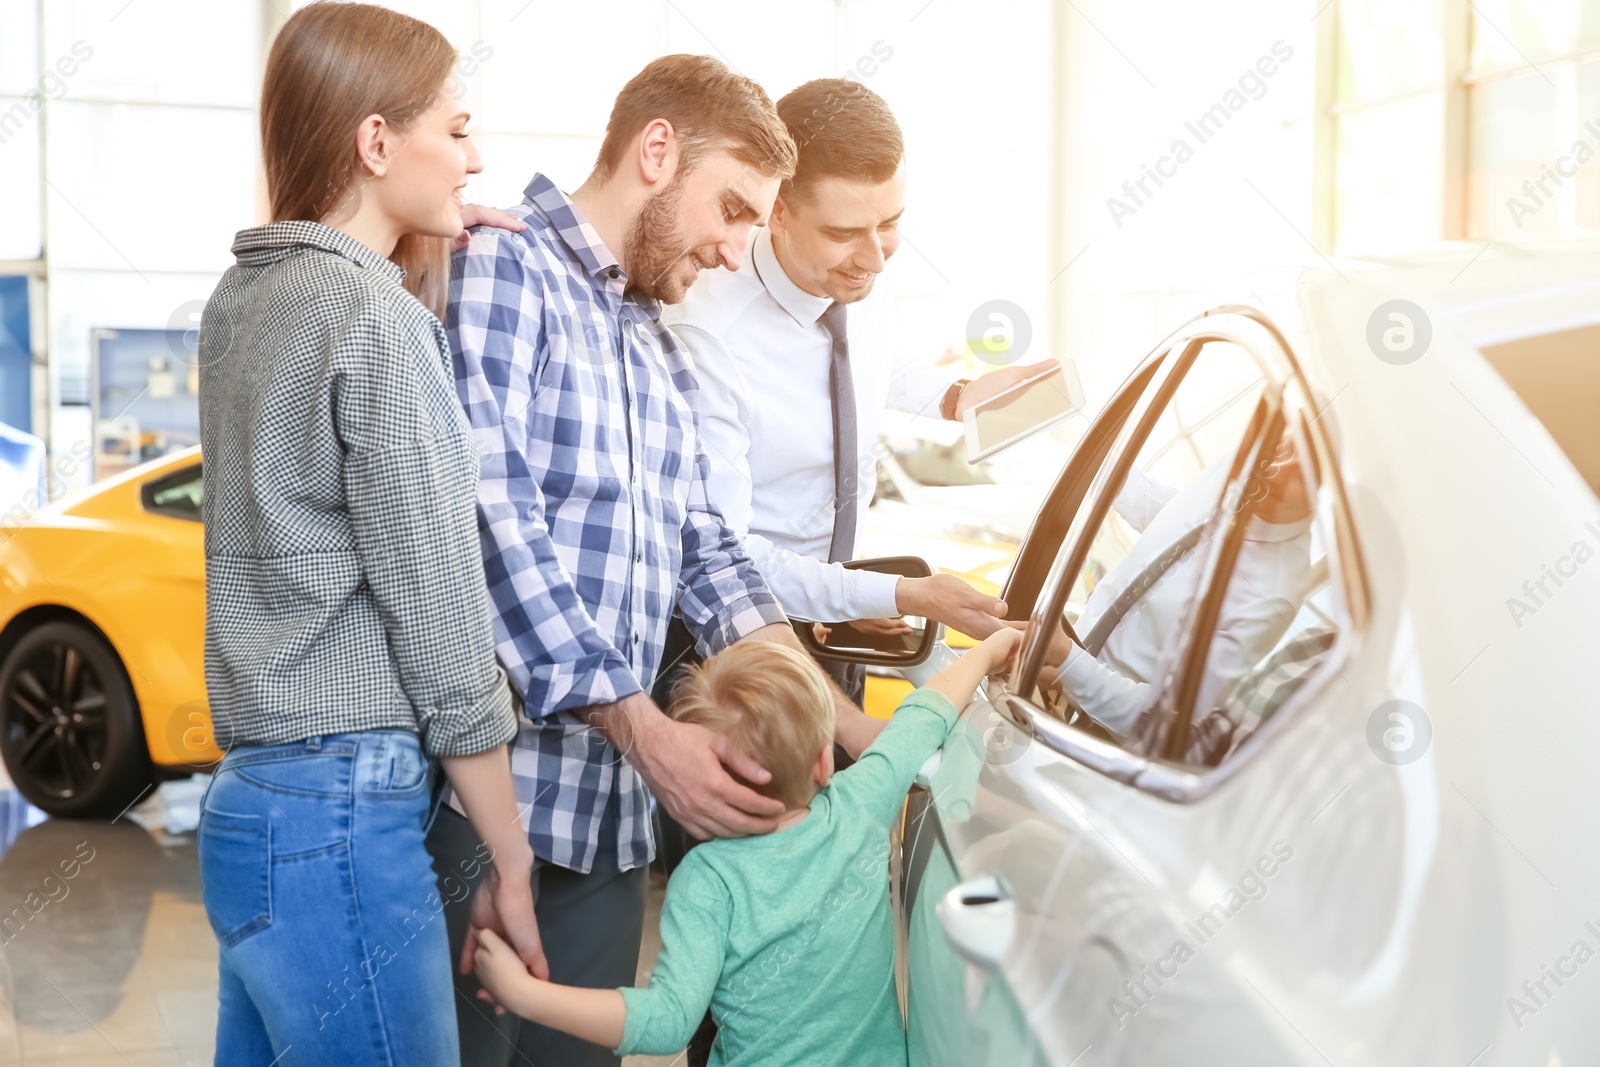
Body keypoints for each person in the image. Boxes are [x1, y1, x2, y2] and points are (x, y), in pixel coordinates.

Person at [427, 54, 887, 1067]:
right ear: (655, 149)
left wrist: (856, 734)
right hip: (495, 802)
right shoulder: (508, 272)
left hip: (609, 823)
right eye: (730, 208)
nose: (733, 248)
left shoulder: (655, 344)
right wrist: (644, 730)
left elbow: (710, 555)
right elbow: (487, 512)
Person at [195, 4, 543, 1065]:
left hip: (251, 812)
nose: (476, 158)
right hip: (345, 820)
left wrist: (422, 230)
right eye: (456, 127)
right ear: (376, 142)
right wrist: (510, 850)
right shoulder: (378, 323)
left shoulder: (239, 303)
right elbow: (437, 616)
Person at [469, 627, 1026, 1066]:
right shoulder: (862, 803)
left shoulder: (709, 879)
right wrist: (992, 648)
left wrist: (525, 996)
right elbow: (924, 714)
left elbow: (666, 1022)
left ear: (707, 773)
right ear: (823, 760)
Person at [661, 77, 1050, 705]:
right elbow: (722, 556)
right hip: (744, 652)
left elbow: (863, 361)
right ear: (777, 209)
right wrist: (901, 593)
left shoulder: (853, 268)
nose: (875, 257)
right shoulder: (709, 336)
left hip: (846, 620)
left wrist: (958, 397)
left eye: (890, 224)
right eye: (845, 232)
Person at [1035, 433, 1316, 737]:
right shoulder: (1243, 469)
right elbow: (1177, 526)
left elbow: (1169, 715)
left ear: (1322, 493)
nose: (1277, 470)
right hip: (1055, 656)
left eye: (1303, 471)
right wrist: (1112, 473)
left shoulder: (1275, 593)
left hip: (1095, 730)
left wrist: (1067, 663)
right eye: (1282, 448)